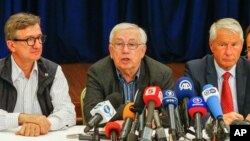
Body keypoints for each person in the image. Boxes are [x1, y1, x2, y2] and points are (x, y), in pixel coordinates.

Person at [0, 12, 76, 136]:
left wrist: (46, 123)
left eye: (39, 38)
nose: (37, 45)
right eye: (30, 40)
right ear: (11, 45)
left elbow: (68, 113)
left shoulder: (53, 71)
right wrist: (23, 118)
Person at [83, 23, 174, 126]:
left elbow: (172, 116)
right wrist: (126, 112)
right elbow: (91, 117)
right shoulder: (98, 72)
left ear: (143, 51)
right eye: (119, 44)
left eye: (132, 45)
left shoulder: (161, 74)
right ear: (111, 51)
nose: (125, 50)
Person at [184, 18, 250, 125]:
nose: (228, 52)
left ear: (242, 45)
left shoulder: (248, 68)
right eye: (222, 45)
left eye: (234, 45)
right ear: (211, 46)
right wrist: (215, 122)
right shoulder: (195, 70)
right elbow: (188, 111)